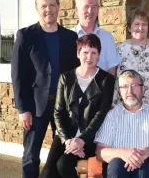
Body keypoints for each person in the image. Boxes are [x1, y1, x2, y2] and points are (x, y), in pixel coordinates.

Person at [11, 0, 79, 178]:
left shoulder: (70, 37)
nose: (48, 9)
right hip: (35, 107)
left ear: (58, 7)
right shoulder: (26, 35)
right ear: (37, 9)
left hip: (63, 106)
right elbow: (17, 75)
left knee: (64, 155)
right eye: (43, 6)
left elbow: (75, 73)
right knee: (31, 156)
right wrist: (22, 108)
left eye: (52, 5)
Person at [40, 34, 115, 178]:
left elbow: (101, 113)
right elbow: (58, 112)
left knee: (63, 165)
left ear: (99, 55)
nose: (89, 57)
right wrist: (67, 140)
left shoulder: (107, 80)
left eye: (94, 53)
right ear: (78, 53)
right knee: (48, 172)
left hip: (91, 137)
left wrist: (82, 139)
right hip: (65, 135)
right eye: (85, 52)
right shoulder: (65, 78)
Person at [95, 70, 149, 178]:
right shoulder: (111, 116)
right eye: (124, 86)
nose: (130, 91)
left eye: (134, 85)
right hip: (119, 169)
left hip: (148, 167)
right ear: (119, 91)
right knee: (116, 164)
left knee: (147, 165)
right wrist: (124, 153)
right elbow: (100, 152)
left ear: (143, 90)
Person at [112, 8, 149, 107]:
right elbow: (112, 79)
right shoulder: (119, 49)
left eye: (144, 24)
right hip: (123, 108)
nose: (140, 28)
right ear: (129, 28)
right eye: (136, 24)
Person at [71, 0, 120, 76]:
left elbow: (111, 70)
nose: (90, 11)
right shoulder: (68, 37)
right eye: (86, 7)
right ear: (76, 10)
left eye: (94, 7)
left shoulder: (107, 38)